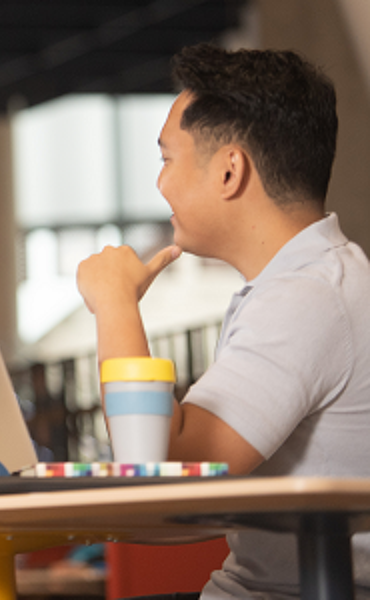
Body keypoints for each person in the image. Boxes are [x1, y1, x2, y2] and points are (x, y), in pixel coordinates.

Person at [76, 44, 370, 598]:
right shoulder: (307, 283)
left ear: (231, 170)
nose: (160, 184)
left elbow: (165, 468)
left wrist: (115, 304)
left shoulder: (307, 297)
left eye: (166, 158)